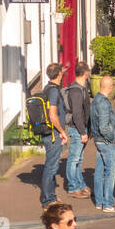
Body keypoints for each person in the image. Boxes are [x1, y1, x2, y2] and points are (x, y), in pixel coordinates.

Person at [39, 62, 69, 208]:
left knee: (51, 165)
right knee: (51, 167)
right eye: (62, 72)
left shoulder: (46, 88)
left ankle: (51, 197)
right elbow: (53, 115)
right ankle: (48, 200)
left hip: (48, 132)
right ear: (59, 74)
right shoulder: (54, 91)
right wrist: (62, 132)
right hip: (53, 134)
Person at [90, 75, 115, 213]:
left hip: (98, 140)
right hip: (106, 141)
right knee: (110, 172)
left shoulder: (95, 100)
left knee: (99, 171)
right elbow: (103, 126)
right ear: (111, 87)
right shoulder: (103, 102)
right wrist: (113, 137)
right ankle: (108, 203)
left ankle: (99, 201)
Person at [62, 61, 92, 198]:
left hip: (80, 129)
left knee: (78, 159)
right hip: (76, 129)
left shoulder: (82, 88)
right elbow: (77, 113)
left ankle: (80, 184)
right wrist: (82, 132)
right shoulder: (76, 91)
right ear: (86, 72)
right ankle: (73, 187)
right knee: (74, 159)